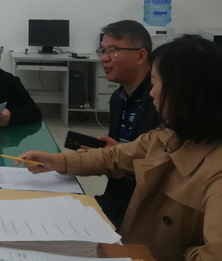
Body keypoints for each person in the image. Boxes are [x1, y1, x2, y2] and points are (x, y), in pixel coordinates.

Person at [17, 35, 222, 261]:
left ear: (184, 91)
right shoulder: (168, 135)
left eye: (155, 83)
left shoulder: (215, 172)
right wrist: (56, 161)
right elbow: (114, 156)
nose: (151, 92)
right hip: (129, 247)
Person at [94, 20, 161, 229]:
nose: (104, 58)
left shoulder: (161, 101)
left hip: (147, 211)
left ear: (141, 56)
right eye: (102, 50)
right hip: (116, 201)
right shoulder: (118, 97)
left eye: (113, 50)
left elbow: (164, 168)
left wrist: (119, 156)